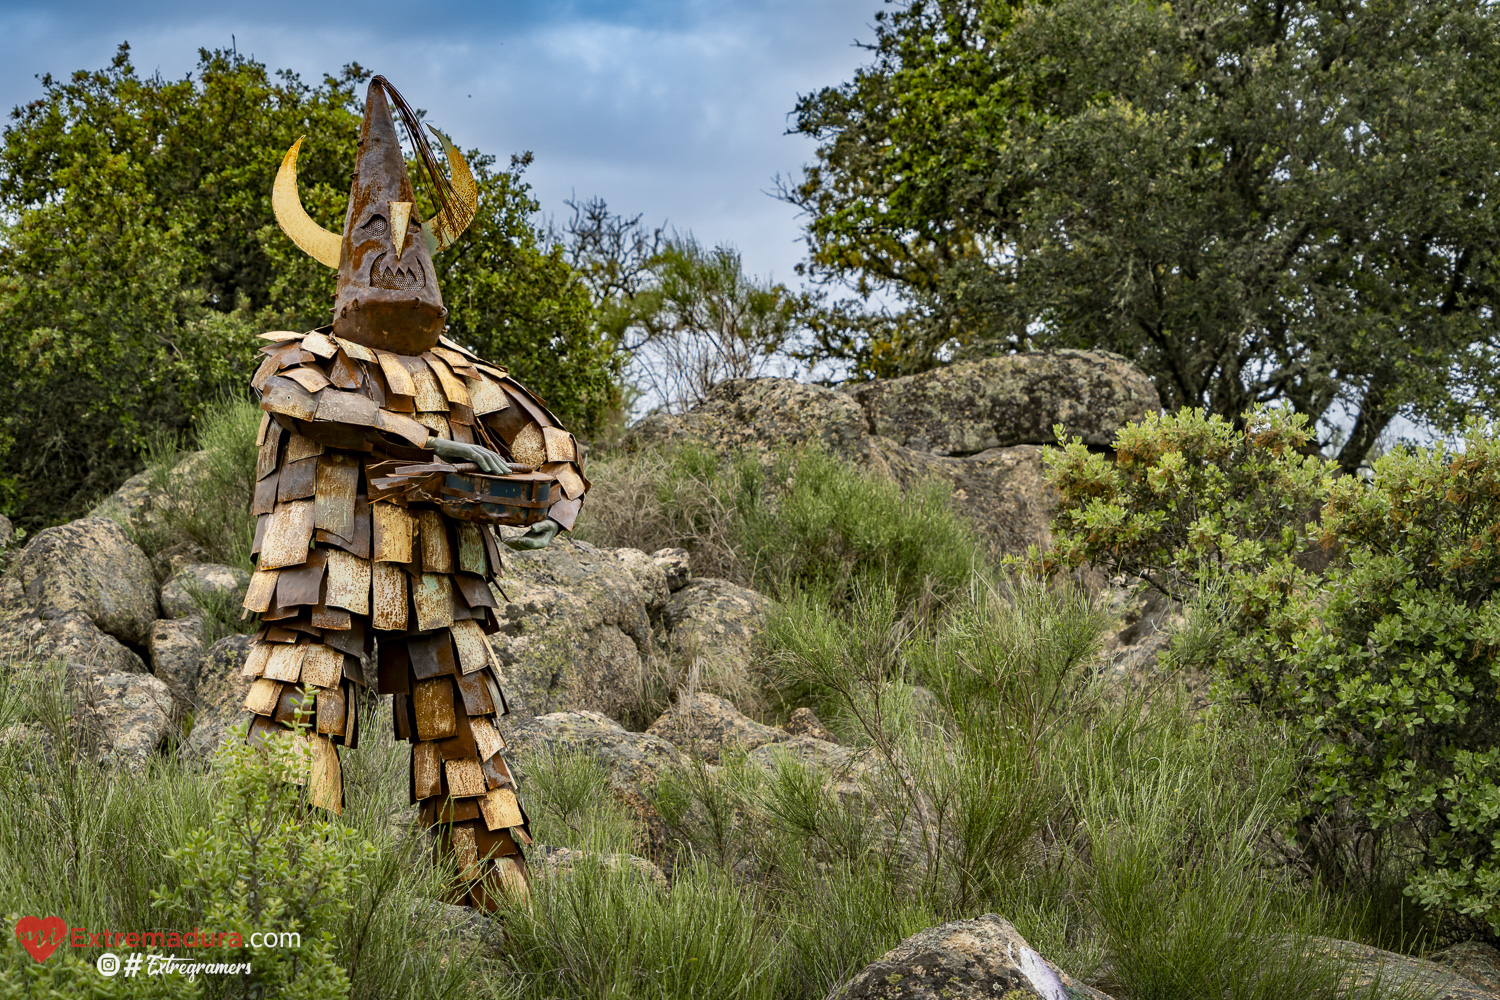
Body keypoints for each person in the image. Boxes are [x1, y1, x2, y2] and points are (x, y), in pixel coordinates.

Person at [240, 76, 588, 910]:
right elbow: (299, 400)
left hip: (444, 587)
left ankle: (493, 905)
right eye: (377, 244)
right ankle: (287, 911)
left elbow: (554, 457)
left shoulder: (466, 374)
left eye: (408, 246)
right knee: (296, 721)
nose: (396, 259)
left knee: (465, 737)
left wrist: (521, 497)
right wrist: (418, 439)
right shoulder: (306, 357)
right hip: (317, 581)